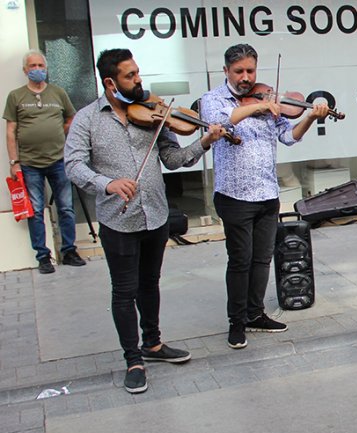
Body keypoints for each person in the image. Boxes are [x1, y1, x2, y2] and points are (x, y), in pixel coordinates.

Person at [65, 49, 224, 393]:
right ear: (110, 82)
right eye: (130, 76)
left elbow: (174, 158)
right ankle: (133, 359)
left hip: (155, 213)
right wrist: (106, 183)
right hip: (117, 219)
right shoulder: (87, 120)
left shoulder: (153, 113)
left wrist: (204, 142)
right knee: (124, 291)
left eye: (138, 73)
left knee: (150, 284)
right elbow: (73, 165)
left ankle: (152, 344)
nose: (139, 81)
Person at [200, 44, 329, 350]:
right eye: (239, 71)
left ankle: (255, 313)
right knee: (240, 260)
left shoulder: (269, 100)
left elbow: (289, 136)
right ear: (226, 72)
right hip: (234, 196)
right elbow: (226, 120)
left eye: (250, 71)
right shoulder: (213, 99)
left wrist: (311, 116)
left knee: (262, 260)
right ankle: (236, 322)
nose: (246, 78)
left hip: (267, 193)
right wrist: (257, 107)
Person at [4, 49, 84, 274]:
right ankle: (43, 256)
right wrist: (14, 162)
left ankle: (69, 251)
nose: (37, 70)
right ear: (25, 70)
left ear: (46, 68)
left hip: (59, 160)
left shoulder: (58, 93)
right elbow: (10, 131)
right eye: (32, 66)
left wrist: (61, 133)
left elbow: (72, 119)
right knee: (36, 210)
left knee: (66, 208)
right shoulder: (15, 96)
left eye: (40, 66)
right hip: (29, 164)